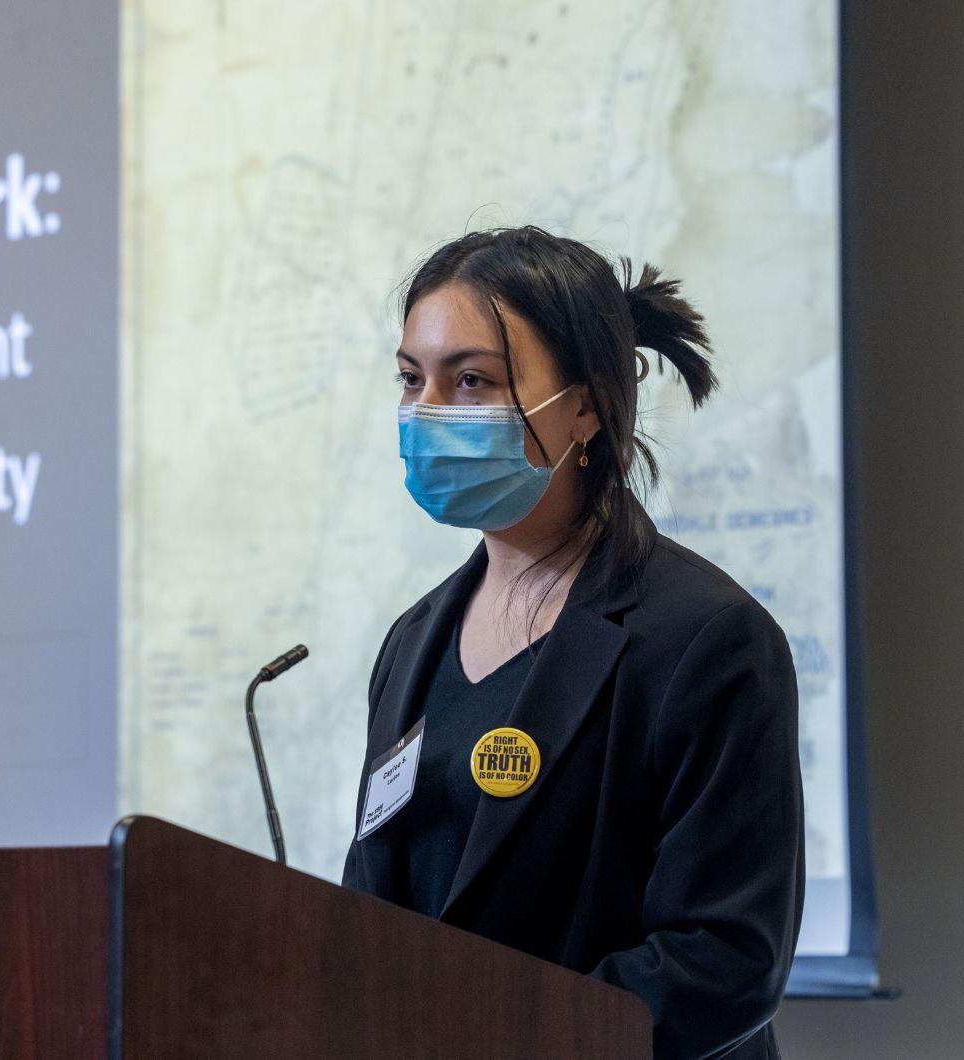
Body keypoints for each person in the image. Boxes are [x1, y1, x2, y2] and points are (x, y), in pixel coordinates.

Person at [339, 226, 805, 1059]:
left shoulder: (707, 640)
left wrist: (497, 1036)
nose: (427, 414)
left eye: (472, 381)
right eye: (412, 380)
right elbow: (380, 908)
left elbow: (726, 958)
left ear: (586, 405)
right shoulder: (413, 641)